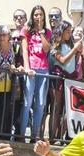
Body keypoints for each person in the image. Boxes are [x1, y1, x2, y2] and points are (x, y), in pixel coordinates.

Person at [19, 5, 51, 141]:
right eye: (36, 14)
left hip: (43, 70)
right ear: (32, 16)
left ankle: (34, 136)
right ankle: (20, 135)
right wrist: (27, 68)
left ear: (44, 17)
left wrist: (41, 32)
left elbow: (47, 49)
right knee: (27, 103)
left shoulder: (48, 32)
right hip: (30, 69)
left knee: (40, 104)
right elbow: (24, 50)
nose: (38, 17)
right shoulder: (26, 30)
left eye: (40, 14)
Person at [50, 20, 82, 142]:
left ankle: (61, 135)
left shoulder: (69, 45)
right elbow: (63, 60)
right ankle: (53, 136)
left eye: (70, 31)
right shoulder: (55, 46)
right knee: (56, 108)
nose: (70, 34)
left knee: (67, 109)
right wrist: (74, 49)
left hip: (70, 78)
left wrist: (77, 50)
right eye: (67, 31)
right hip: (59, 78)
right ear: (61, 32)